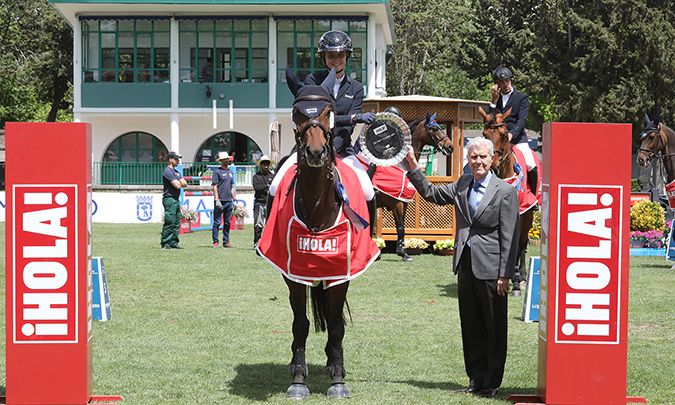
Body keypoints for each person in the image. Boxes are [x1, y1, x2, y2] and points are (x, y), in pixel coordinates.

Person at [399, 138, 519, 399]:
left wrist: (505, 274)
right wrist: (412, 166)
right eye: (473, 157)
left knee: (494, 327)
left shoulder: (505, 191)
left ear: (492, 159)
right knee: (472, 325)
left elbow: (510, 236)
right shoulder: (463, 184)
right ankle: (476, 379)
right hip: (465, 264)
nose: (478, 162)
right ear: (468, 159)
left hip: (492, 269)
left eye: (483, 157)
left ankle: (492, 382)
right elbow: (431, 193)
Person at [305, 30, 376, 158]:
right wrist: (354, 117)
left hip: (342, 148)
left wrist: (333, 148)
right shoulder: (313, 81)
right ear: (324, 57)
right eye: (331, 55)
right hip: (312, 146)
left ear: (346, 57)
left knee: (362, 176)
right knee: (286, 172)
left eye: (340, 55)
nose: (336, 60)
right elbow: (314, 118)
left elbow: (348, 128)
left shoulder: (357, 88)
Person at [487, 66, 538, 195]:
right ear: (496, 84)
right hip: (498, 140)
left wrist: (512, 133)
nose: (505, 84)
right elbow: (488, 120)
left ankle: (533, 195)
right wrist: (493, 100)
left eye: (507, 81)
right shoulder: (496, 98)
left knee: (530, 164)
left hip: (517, 138)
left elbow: (522, 120)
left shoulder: (522, 97)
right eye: (502, 82)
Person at [161, 151, 188, 249]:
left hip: (175, 199)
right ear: (170, 160)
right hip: (169, 199)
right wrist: (180, 182)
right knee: (170, 221)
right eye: (176, 159)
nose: (177, 161)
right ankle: (165, 242)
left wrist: (180, 182)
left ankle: (173, 242)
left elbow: (185, 184)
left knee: (176, 222)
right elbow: (177, 185)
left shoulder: (176, 172)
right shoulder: (167, 171)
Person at [212, 151, 236, 248]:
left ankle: (226, 241)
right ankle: (215, 241)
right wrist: (217, 199)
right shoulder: (217, 172)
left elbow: (231, 186)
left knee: (227, 222)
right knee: (217, 222)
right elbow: (215, 186)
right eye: (225, 159)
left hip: (229, 201)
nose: (227, 161)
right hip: (220, 200)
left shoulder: (230, 172)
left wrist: (234, 198)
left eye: (227, 159)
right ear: (221, 161)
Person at [252, 155, 274, 248]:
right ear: (260, 165)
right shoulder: (256, 176)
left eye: (267, 164)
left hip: (270, 203)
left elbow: (274, 189)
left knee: (270, 224)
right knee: (258, 223)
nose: (266, 166)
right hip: (259, 202)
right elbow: (257, 188)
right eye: (264, 164)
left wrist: (264, 186)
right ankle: (256, 241)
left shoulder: (273, 176)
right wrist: (267, 186)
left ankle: (269, 242)